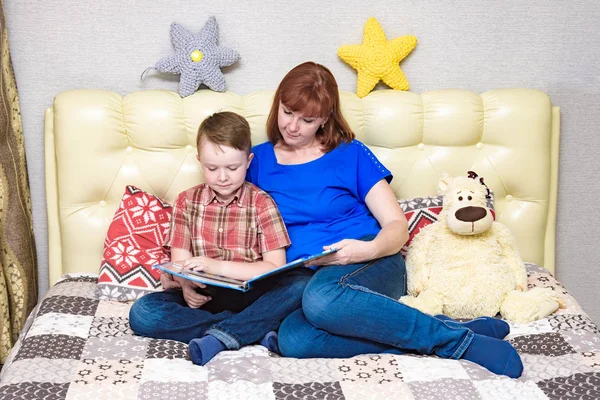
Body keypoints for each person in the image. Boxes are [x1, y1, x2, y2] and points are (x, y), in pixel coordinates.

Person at [246, 61, 524, 378]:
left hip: (371, 261)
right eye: (287, 112)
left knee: (321, 298)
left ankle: (456, 342)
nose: (292, 126)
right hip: (308, 281)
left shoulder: (350, 153)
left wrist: (368, 250)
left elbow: (396, 226)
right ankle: (438, 331)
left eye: (306, 119)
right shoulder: (257, 161)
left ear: (324, 118)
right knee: (294, 340)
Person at [129, 111, 313, 366]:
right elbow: (179, 264)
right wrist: (185, 286)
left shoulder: (262, 203)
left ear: (248, 161)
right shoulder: (187, 201)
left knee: (301, 282)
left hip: (253, 293)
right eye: (212, 168)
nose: (223, 177)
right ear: (199, 161)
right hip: (205, 296)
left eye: (233, 167)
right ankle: (250, 330)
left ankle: (224, 335)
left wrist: (218, 266)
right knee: (143, 313)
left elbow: (274, 267)